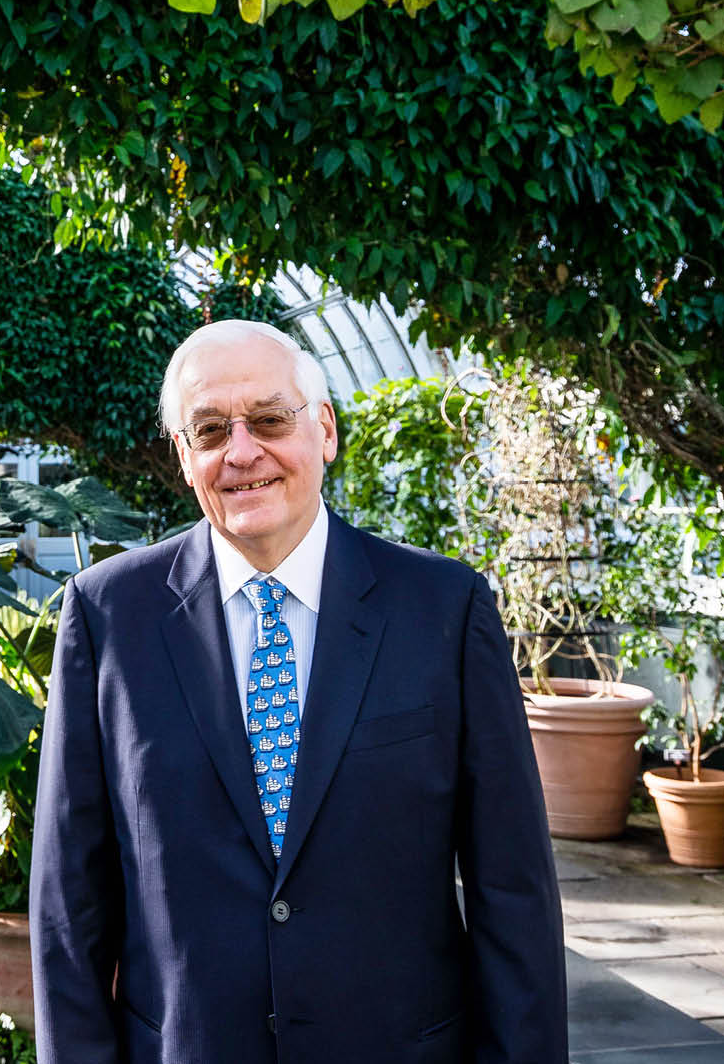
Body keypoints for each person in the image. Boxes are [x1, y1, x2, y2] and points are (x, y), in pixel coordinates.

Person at [30, 318, 568, 1064]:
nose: (241, 452)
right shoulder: (108, 615)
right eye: (210, 430)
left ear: (325, 432)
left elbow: (513, 890)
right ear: (186, 458)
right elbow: (69, 905)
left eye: (270, 420)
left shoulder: (443, 608)